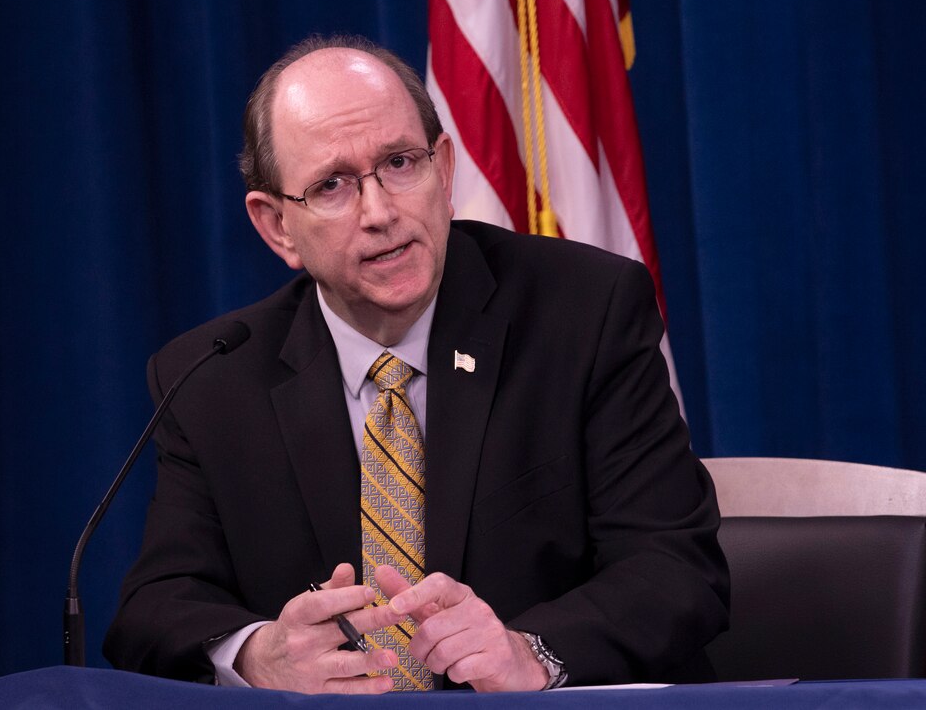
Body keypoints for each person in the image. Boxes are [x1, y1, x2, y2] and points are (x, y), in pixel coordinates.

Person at [104, 34, 729, 693]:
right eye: (333, 185)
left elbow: (675, 566)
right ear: (276, 226)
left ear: (446, 168)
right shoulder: (213, 377)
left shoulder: (585, 313)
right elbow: (155, 608)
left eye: (400, 162)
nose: (381, 212)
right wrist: (260, 654)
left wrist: (531, 652)